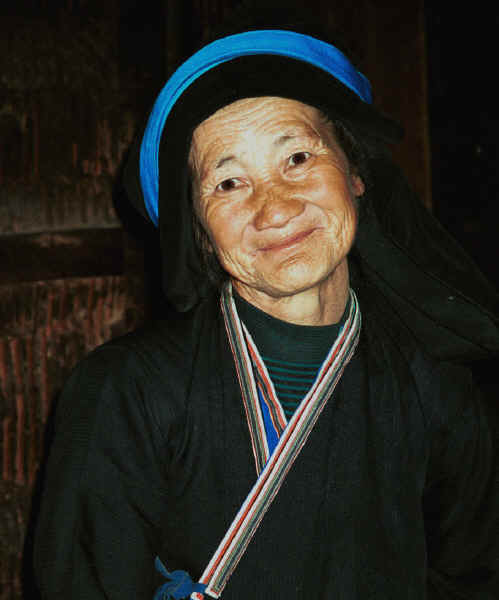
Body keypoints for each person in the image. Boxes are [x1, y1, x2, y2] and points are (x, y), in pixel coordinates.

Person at [34, 9, 499, 600]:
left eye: (298, 158)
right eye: (228, 182)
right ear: (200, 230)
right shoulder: (124, 394)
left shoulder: (440, 394)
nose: (275, 208)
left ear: (356, 174)